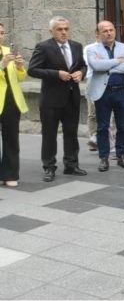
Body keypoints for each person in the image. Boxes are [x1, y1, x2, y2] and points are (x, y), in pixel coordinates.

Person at [27, 16, 88, 183]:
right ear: (51, 31)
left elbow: (83, 65)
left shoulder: (76, 46)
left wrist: (81, 73)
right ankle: (49, 167)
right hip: (51, 99)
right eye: (59, 29)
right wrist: (56, 74)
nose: (64, 32)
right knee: (49, 135)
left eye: (66, 29)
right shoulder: (43, 47)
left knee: (71, 133)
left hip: (71, 97)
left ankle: (71, 164)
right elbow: (32, 70)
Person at [86, 20, 124, 172]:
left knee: (122, 126)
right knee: (102, 127)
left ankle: (121, 156)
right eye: (105, 31)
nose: (109, 33)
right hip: (103, 93)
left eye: (111, 30)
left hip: (122, 91)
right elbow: (96, 66)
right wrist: (117, 61)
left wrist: (107, 67)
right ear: (98, 34)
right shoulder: (92, 49)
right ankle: (104, 158)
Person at [0, 24, 29, 187]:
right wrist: (2, 65)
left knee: (11, 139)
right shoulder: (4, 58)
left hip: (11, 101)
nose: (0, 36)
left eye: (2, 33)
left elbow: (20, 78)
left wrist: (19, 66)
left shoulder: (7, 51)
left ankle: (10, 174)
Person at [84, 32, 116, 158]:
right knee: (92, 114)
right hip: (93, 81)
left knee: (108, 115)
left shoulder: (113, 48)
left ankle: (100, 140)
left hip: (109, 82)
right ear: (97, 36)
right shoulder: (89, 48)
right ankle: (94, 139)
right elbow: (95, 65)